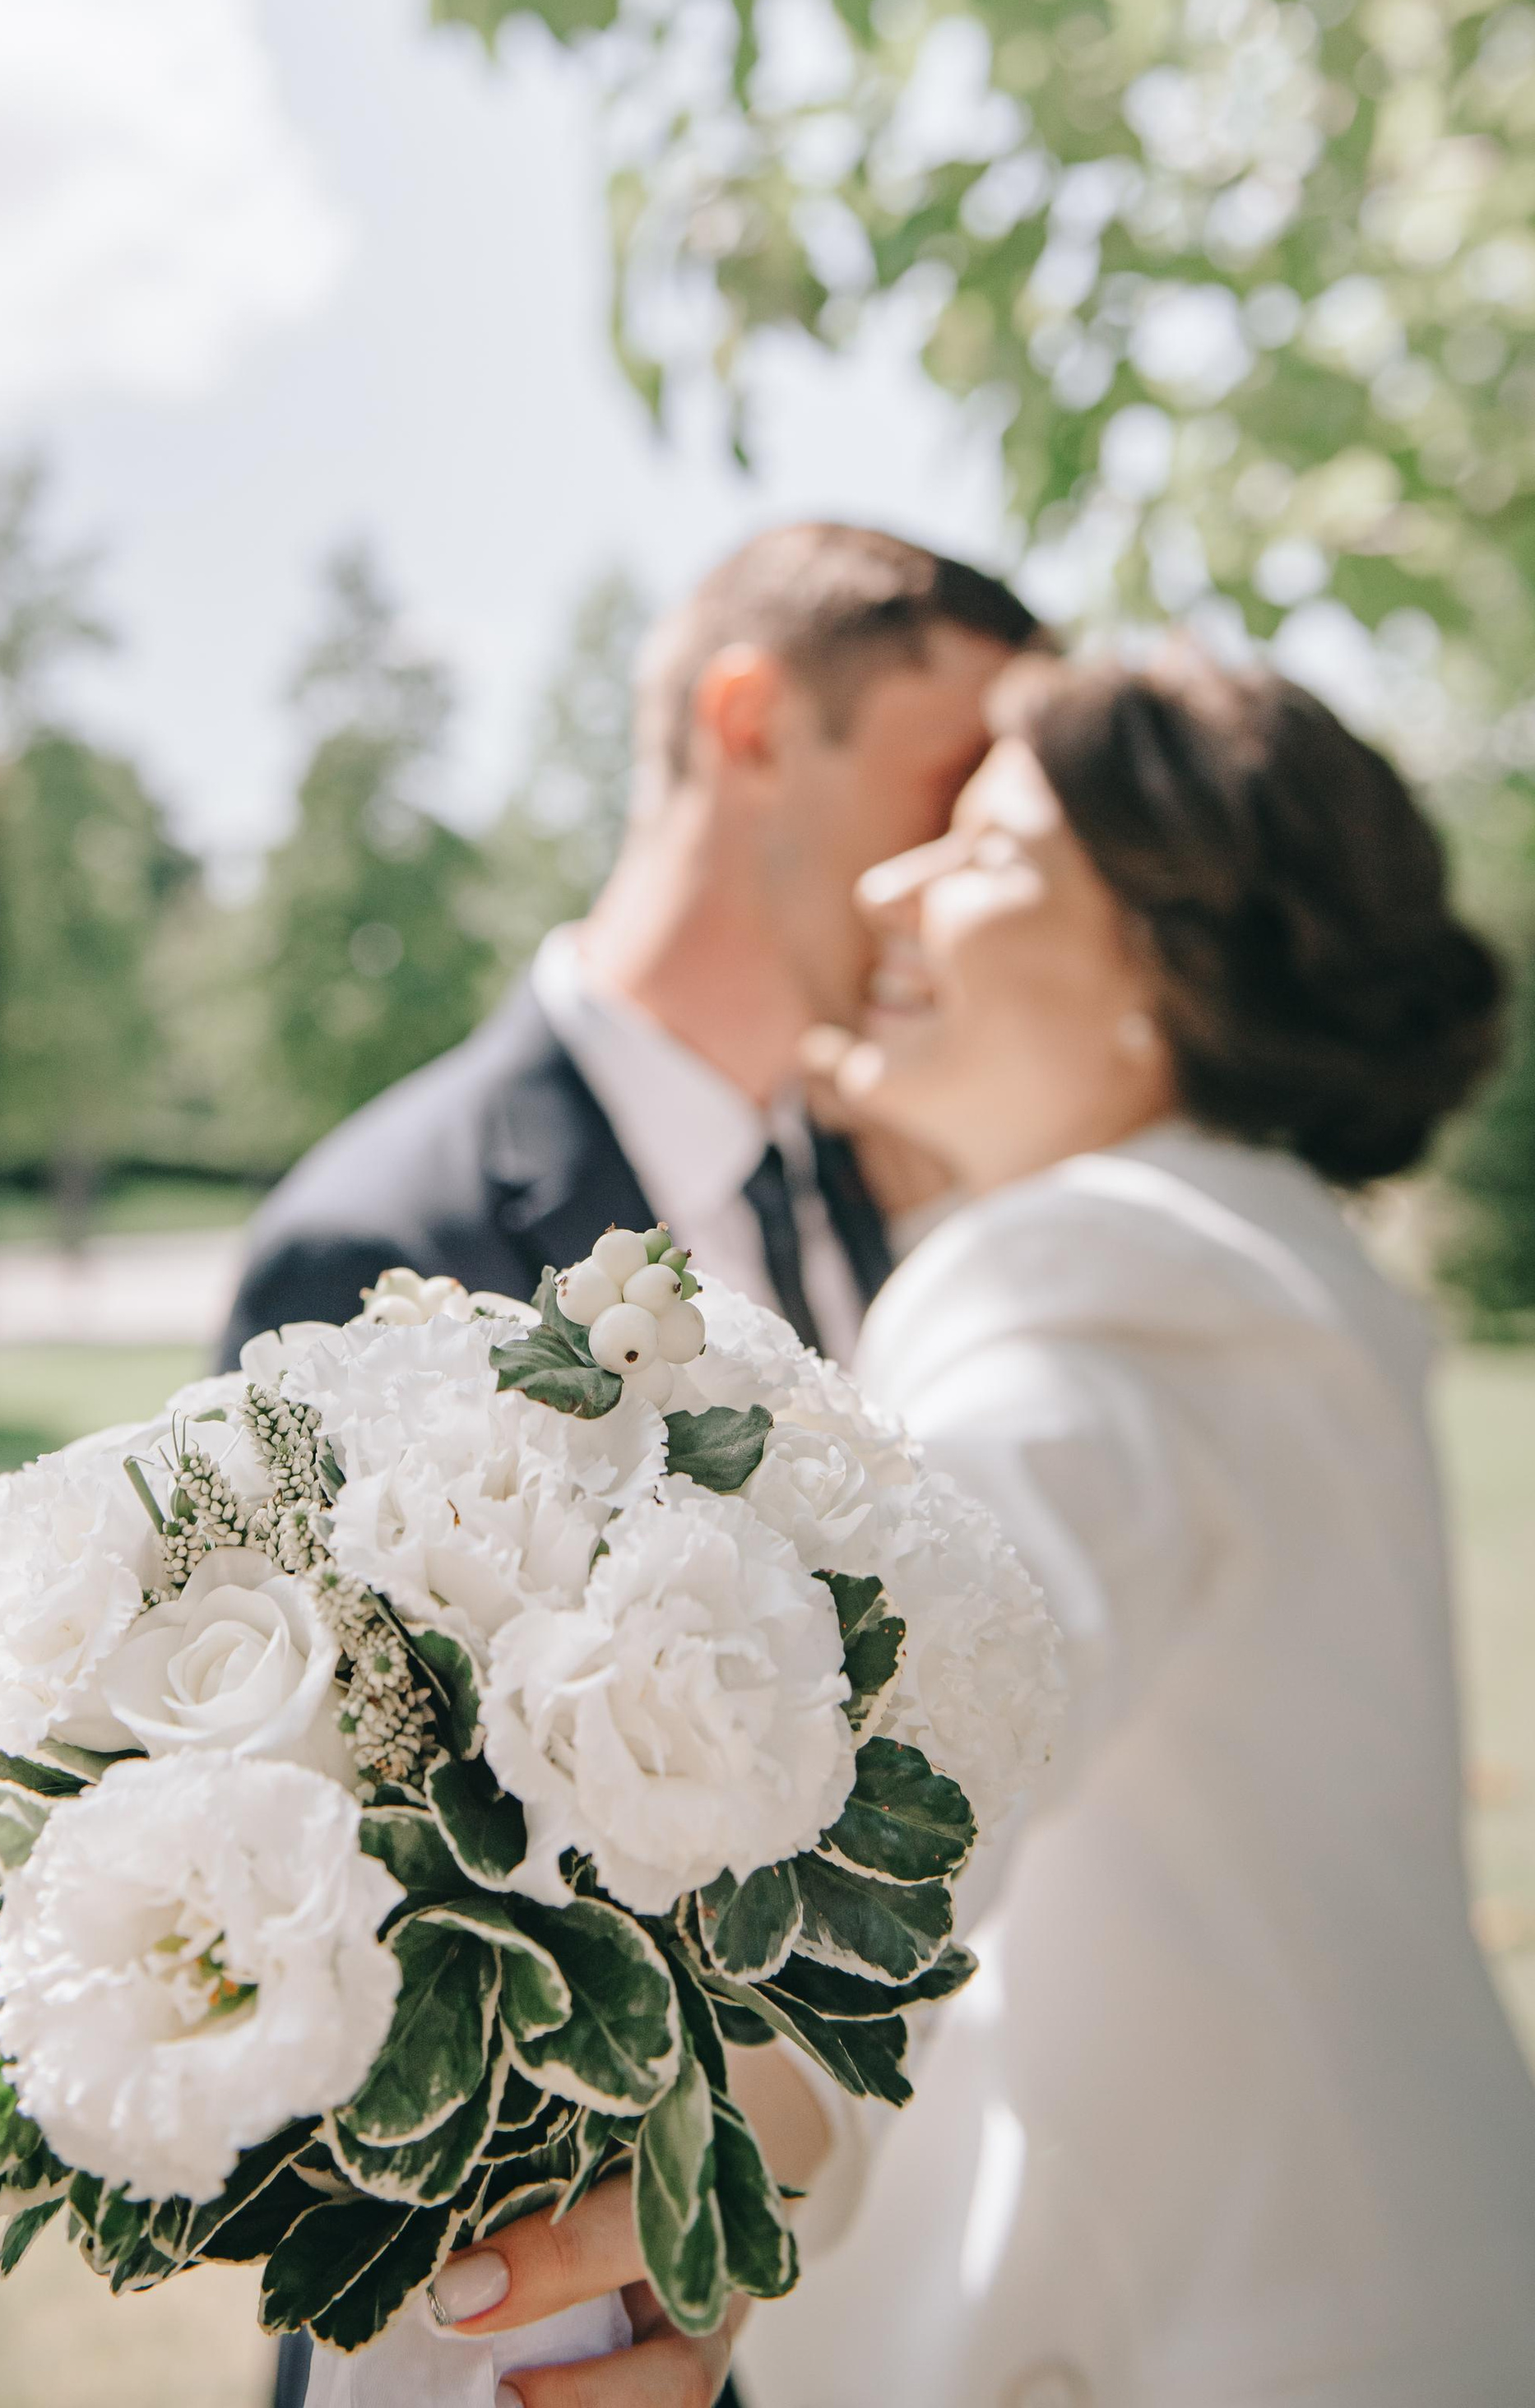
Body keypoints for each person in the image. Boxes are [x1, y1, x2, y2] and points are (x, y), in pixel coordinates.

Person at [424, 644, 1535, 2408]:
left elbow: (958, 1671)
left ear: (1167, 964)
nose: (892, 885)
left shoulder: (1101, 1279)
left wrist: (752, 2140)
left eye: (987, 849)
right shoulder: (1272, 1260)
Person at [220, 523, 1041, 1373]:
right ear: (753, 727)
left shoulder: (889, 1180)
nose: (969, 875)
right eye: (958, 787)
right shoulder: (370, 1252)